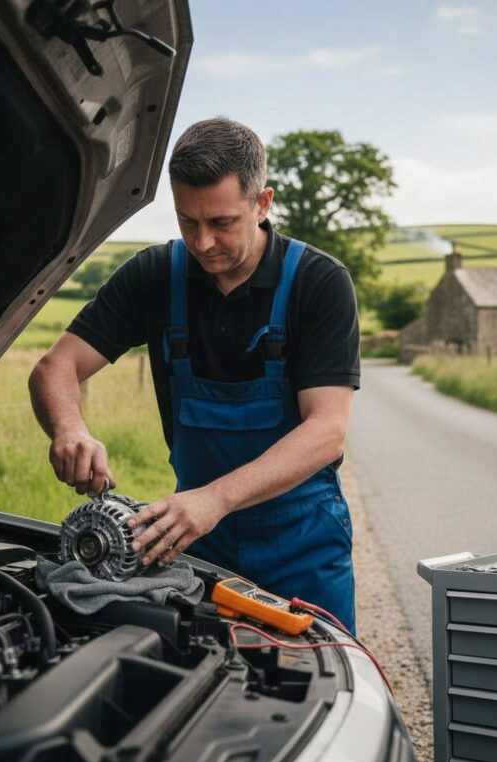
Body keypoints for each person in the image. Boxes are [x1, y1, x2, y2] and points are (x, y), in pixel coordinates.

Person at [29, 118, 360, 632]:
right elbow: (56, 366)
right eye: (188, 222)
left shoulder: (318, 283)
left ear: (263, 203)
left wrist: (216, 499)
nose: (203, 243)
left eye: (222, 222)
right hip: (197, 538)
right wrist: (70, 428)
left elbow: (326, 431)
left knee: (318, 670)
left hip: (302, 537)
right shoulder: (154, 276)